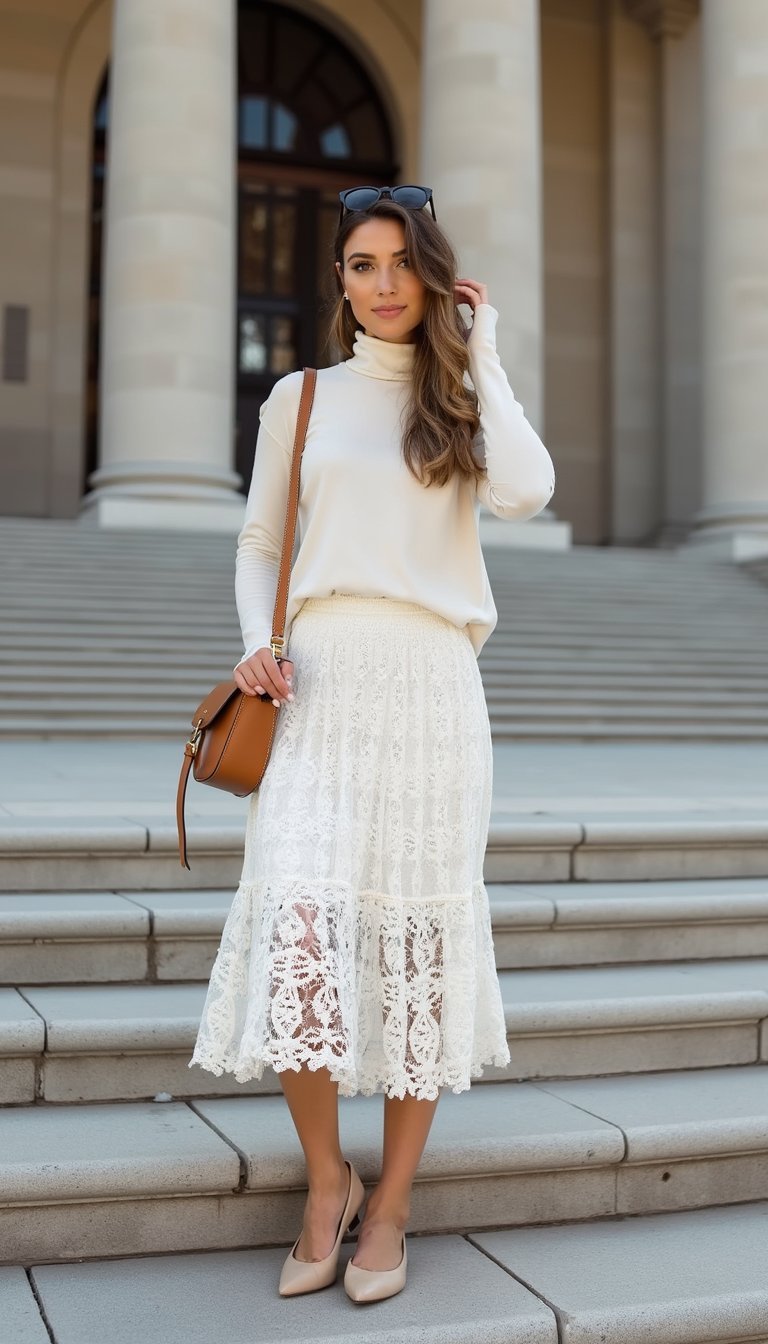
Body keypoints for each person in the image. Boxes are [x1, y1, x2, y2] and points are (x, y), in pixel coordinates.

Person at [189, 185, 555, 1304]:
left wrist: (482, 351)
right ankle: (323, 1182)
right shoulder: (300, 399)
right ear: (339, 280)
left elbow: (530, 492)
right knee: (300, 919)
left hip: (434, 688)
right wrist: (259, 645)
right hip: (321, 683)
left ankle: (392, 1204)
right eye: (361, 263)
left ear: (433, 277)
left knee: (416, 952)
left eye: (403, 263)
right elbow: (261, 540)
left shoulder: (457, 401)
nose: (383, 282)